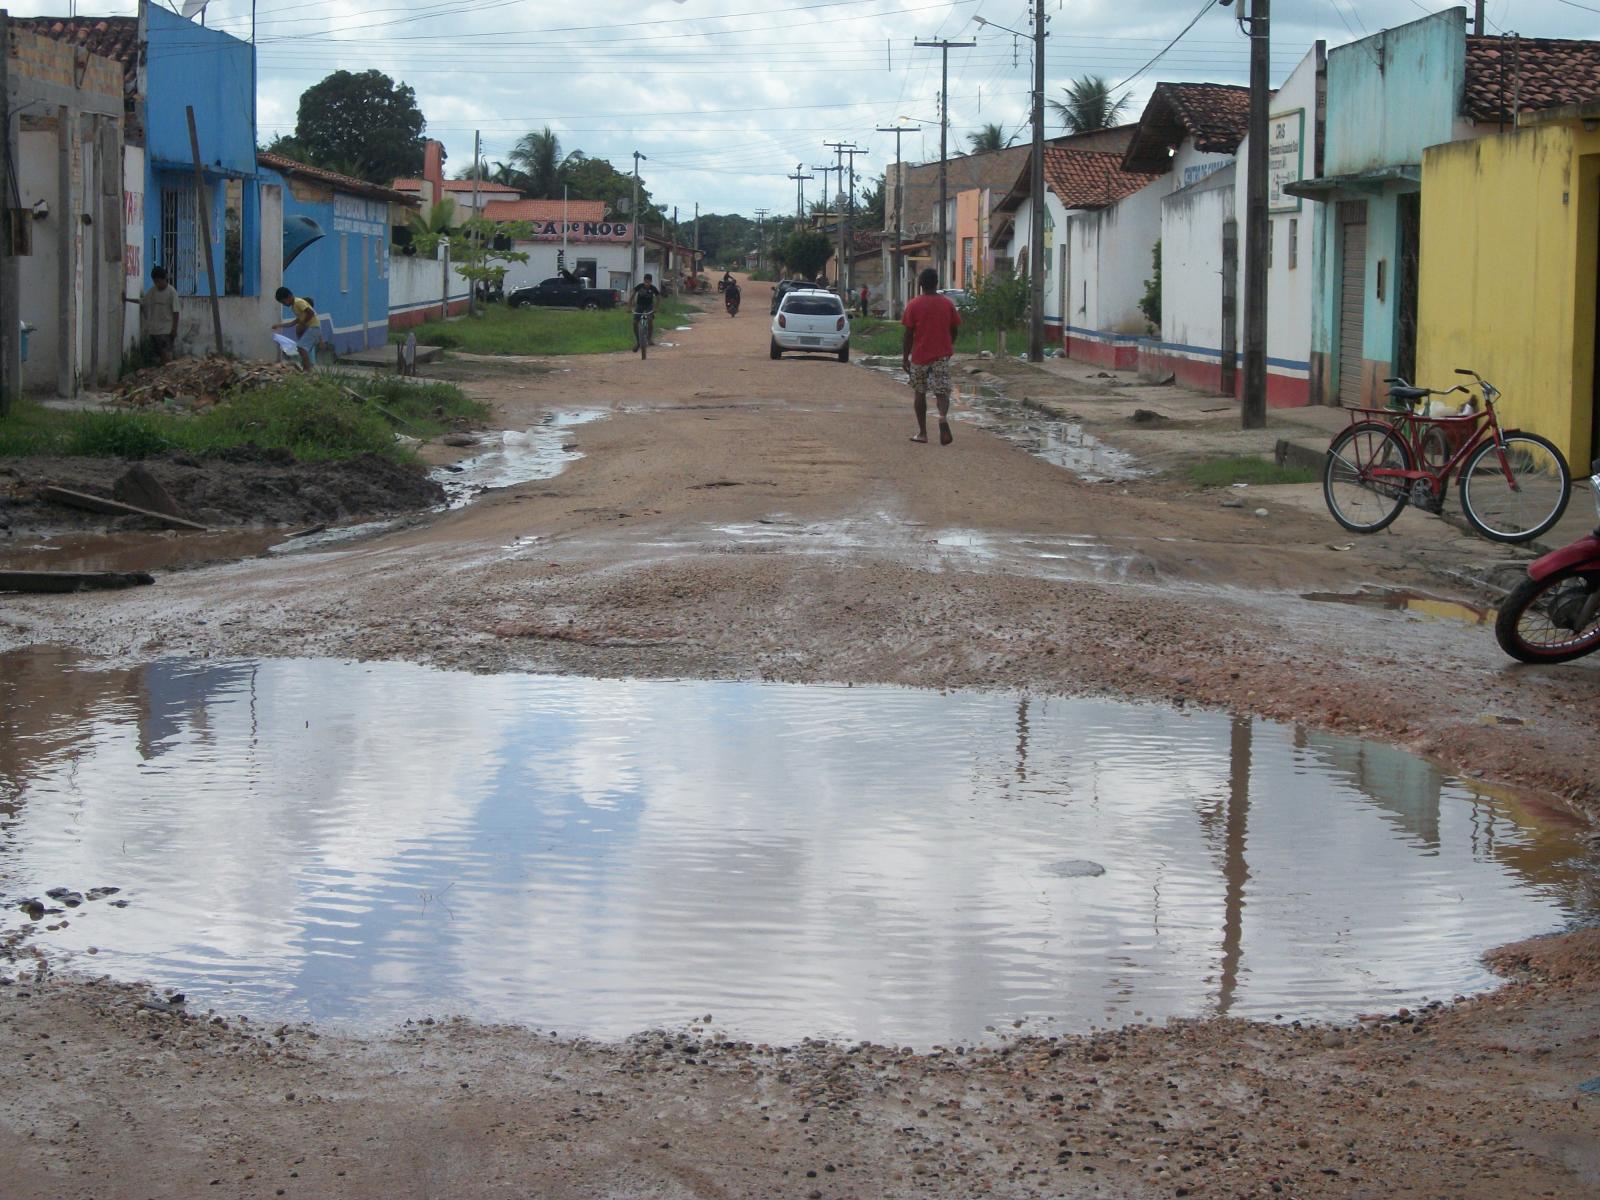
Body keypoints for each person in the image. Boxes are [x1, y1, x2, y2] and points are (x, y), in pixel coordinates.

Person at [900, 267, 962, 445]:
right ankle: (942, 417)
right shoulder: (947, 304)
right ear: (937, 284)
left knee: (920, 392)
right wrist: (948, 345)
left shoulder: (913, 305)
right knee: (942, 391)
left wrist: (906, 357)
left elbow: (908, 334)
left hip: (920, 356)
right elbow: (954, 329)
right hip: (941, 355)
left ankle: (923, 433)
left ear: (920, 285)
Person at [272, 286, 318, 372]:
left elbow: (311, 313)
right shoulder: (294, 306)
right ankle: (306, 368)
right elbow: (294, 322)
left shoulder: (298, 302)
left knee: (301, 348)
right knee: (301, 349)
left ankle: (308, 370)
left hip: (313, 327)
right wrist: (279, 325)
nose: (284, 305)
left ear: (289, 297)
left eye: (283, 302)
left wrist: (303, 324)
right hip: (311, 328)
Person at [139, 266, 179, 364]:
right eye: (155, 281)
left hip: (166, 331)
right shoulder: (152, 291)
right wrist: (127, 299)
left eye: (158, 281)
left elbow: (176, 312)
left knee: (167, 359)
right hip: (154, 331)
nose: (157, 284)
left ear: (164, 279)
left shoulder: (172, 292)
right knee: (156, 359)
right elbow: (143, 301)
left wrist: (174, 330)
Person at [631, 273, 662, 345]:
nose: (647, 283)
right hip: (639, 305)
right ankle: (638, 340)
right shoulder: (639, 286)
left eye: (648, 282)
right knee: (635, 322)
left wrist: (656, 308)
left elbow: (658, 299)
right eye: (645, 281)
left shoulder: (653, 288)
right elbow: (632, 296)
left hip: (649, 306)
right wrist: (629, 307)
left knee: (650, 320)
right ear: (644, 281)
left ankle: (649, 339)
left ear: (651, 282)